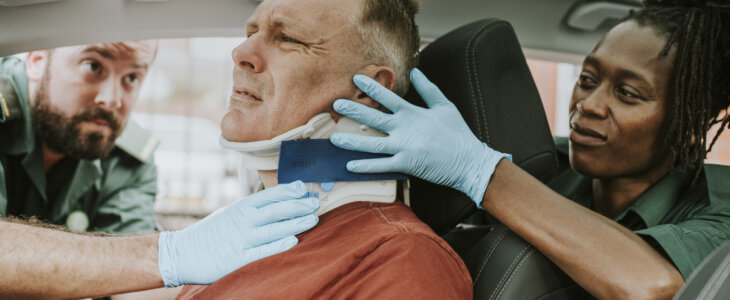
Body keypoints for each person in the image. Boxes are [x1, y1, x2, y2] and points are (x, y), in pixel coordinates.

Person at [330, 1, 730, 299]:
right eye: (588, 79)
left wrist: (480, 170)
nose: (587, 104)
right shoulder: (542, 164)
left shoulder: (720, 209)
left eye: (627, 93)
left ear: (689, 126)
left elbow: (653, 285)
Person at [175, 0, 472, 298]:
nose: (241, 53)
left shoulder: (400, 259)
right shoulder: (234, 234)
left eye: (288, 38)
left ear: (367, 91)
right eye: (251, 32)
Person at [0, 41, 319, 299]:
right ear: (36, 59)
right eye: (93, 66)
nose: (112, 100)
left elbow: (133, 284)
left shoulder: (124, 157)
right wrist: (171, 254)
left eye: (132, 78)